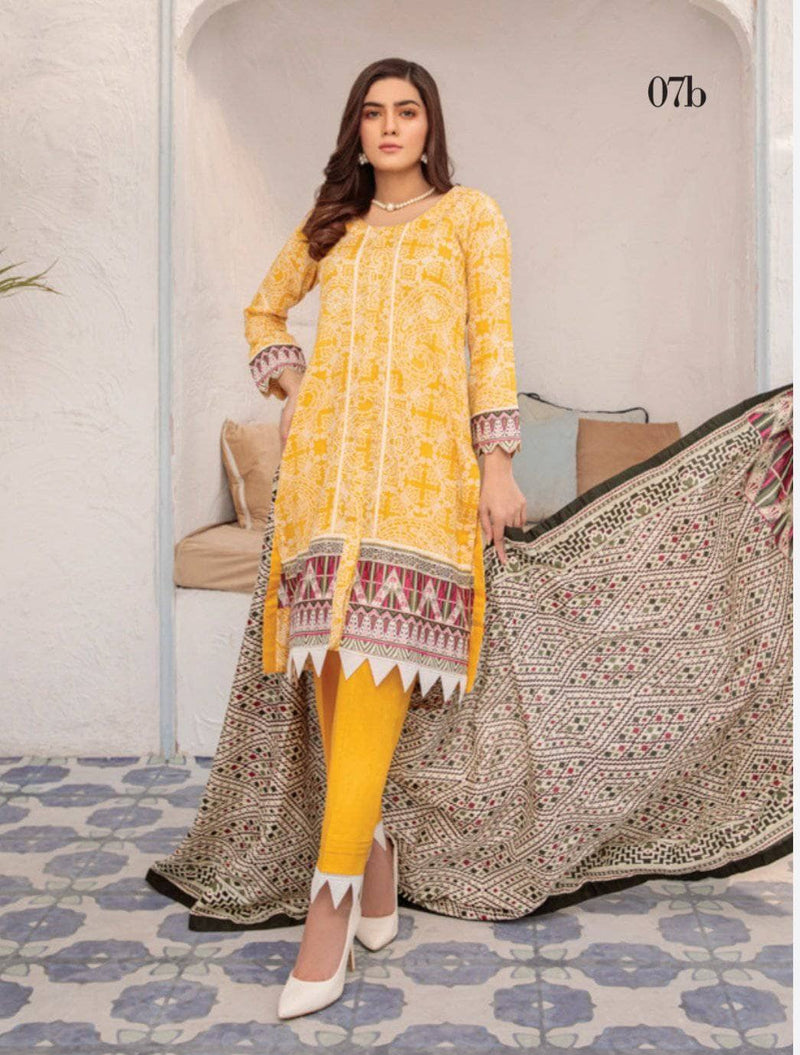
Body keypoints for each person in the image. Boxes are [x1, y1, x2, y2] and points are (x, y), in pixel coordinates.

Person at [247, 57, 524, 1017]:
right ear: (357, 131)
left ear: (429, 125)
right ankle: (372, 860)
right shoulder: (332, 225)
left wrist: (497, 462)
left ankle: (325, 918)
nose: (391, 126)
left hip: (422, 489)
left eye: (407, 111)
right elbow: (263, 308)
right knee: (333, 673)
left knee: (372, 671)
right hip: (323, 486)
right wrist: (295, 387)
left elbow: (493, 343)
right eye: (374, 113)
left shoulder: (470, 217)